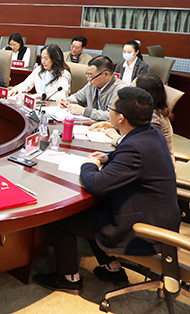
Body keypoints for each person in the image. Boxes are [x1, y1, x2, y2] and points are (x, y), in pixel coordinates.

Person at [33, 87, 179, 293]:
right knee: (93, 211)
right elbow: (127, 156)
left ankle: (69, 278)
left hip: (144, 228)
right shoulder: (150, 133)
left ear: (121, 117)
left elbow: (95, 184)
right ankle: (112, 268)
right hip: (156, 214)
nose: (108, 111)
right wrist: (107, 157)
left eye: (111, 108)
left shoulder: (134, 147)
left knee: (63, 220)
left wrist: (88, 164)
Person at [90, 74, 175, 164]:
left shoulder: (154, 119)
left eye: (132, 87)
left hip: (153, 165)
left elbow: (136, 145)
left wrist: (114, 136)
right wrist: (111, 125)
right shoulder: (149, 112)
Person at [58, 55, 126, 121]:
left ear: (106, 75)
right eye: (87, 75)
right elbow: (78, 97)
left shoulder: (121, 90)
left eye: (91, 76)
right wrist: (67, 101)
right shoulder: (92, 84)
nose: (88, 79)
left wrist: (84, 111)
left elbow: (113, 116)